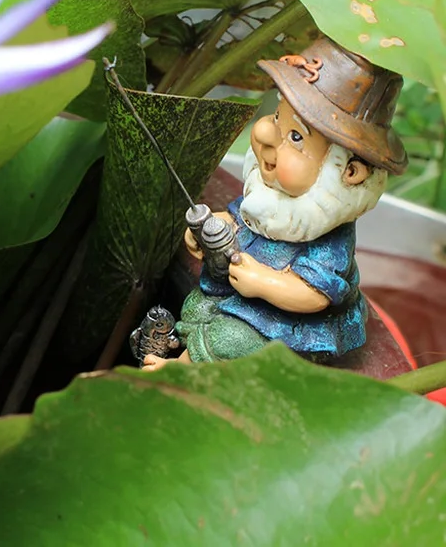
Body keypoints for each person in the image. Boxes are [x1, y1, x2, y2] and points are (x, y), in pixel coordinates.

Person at [143, 36, 407, 369]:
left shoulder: (327, 237)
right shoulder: (276, 202)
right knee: (198, 307)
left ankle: (186, 375)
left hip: (288, 327)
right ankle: (186, 360)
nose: (267, 134)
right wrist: (214, 230)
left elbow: (314, 295)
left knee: (232, 338)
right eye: (278, 118)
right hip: (243, 303)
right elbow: (244, 219)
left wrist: (264, 283)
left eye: (295, 137)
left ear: (349, 172)